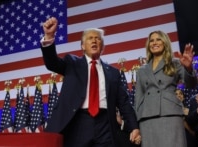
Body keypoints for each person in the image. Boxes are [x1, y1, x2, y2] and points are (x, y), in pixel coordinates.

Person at [40, 17, 141, 147]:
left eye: (98, 38)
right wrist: (49, 36)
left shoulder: (113, 73)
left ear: (102, 46)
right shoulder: (72, 63)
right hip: (79, 122)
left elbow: (124, 103)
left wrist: (134, 127)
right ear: (82, 45)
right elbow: (52, 63)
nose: (94, 40)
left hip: (105, 124)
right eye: (90, 38)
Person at [134, 30, 197, 147]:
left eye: (158, 39)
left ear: (165, 42)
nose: (154, 43)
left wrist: (189, 68)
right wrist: (135, 125)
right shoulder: (142, 70)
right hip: (147, 117)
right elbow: (138, 97)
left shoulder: (176, 63)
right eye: (151, 40)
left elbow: (192, 84)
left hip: (169, 113)